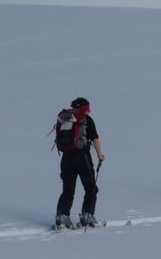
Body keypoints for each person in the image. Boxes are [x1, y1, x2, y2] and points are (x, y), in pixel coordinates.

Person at [55, 97, 105, 229]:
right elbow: (95, 139)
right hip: (82, 157)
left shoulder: (65, 118)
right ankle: (87, 216)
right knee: (91, 188)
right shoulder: (86, 120)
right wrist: (100, 155)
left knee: (68, 190)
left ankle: (62, 217)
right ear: (85, 109)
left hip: (66, 158)